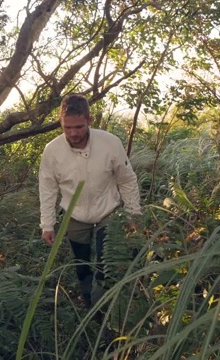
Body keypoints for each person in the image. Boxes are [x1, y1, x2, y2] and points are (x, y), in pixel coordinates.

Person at [38, 93, 141, 308]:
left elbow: (127, 180)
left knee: (106, 265)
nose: (73, 133)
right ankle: (90, 309)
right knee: (82, 266)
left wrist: (133, 214)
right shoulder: (52, 151)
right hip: (74, 216)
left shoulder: (110, 143)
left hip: (108, 212)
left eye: (79, 127)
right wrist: (47, 224)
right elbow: (48, 188)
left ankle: (107, 307)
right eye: (67, 128)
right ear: (61, 123)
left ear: (89, 121)